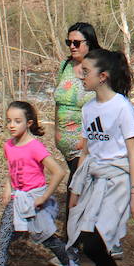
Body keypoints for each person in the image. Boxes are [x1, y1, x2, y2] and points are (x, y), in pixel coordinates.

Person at [67, 47, 134, 266]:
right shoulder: (88, 109)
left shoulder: (121, 107)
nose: (80, 76)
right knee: (91, 243)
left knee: (95, 243)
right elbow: (87, 152)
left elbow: (133, 154)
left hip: (118, 183)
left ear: (103, 77)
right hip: (94, 181)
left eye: (85, 72)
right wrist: (76, 189)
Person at [0, 100, 78, 266]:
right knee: (3, 238)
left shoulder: (35, 147)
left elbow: (59, 172)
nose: (12, 125)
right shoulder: (8, 145)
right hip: (17, 198)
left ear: (29, 123)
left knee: (46, 238)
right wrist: (8, 188)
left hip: (34, 199)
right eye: (9, 121)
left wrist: (45, 196)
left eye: (17, 121)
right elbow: (11, 169)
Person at [54, 22, 99, 172]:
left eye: (77, 43)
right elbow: (58, 102)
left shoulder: (99, 68)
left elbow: (104, 106)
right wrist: (57, 131)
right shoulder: (65, 65)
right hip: (64, 143)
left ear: (89, 42)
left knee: (76, 188)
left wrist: (85, 139)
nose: (72, 46)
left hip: (86, 144)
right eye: (69, 42)